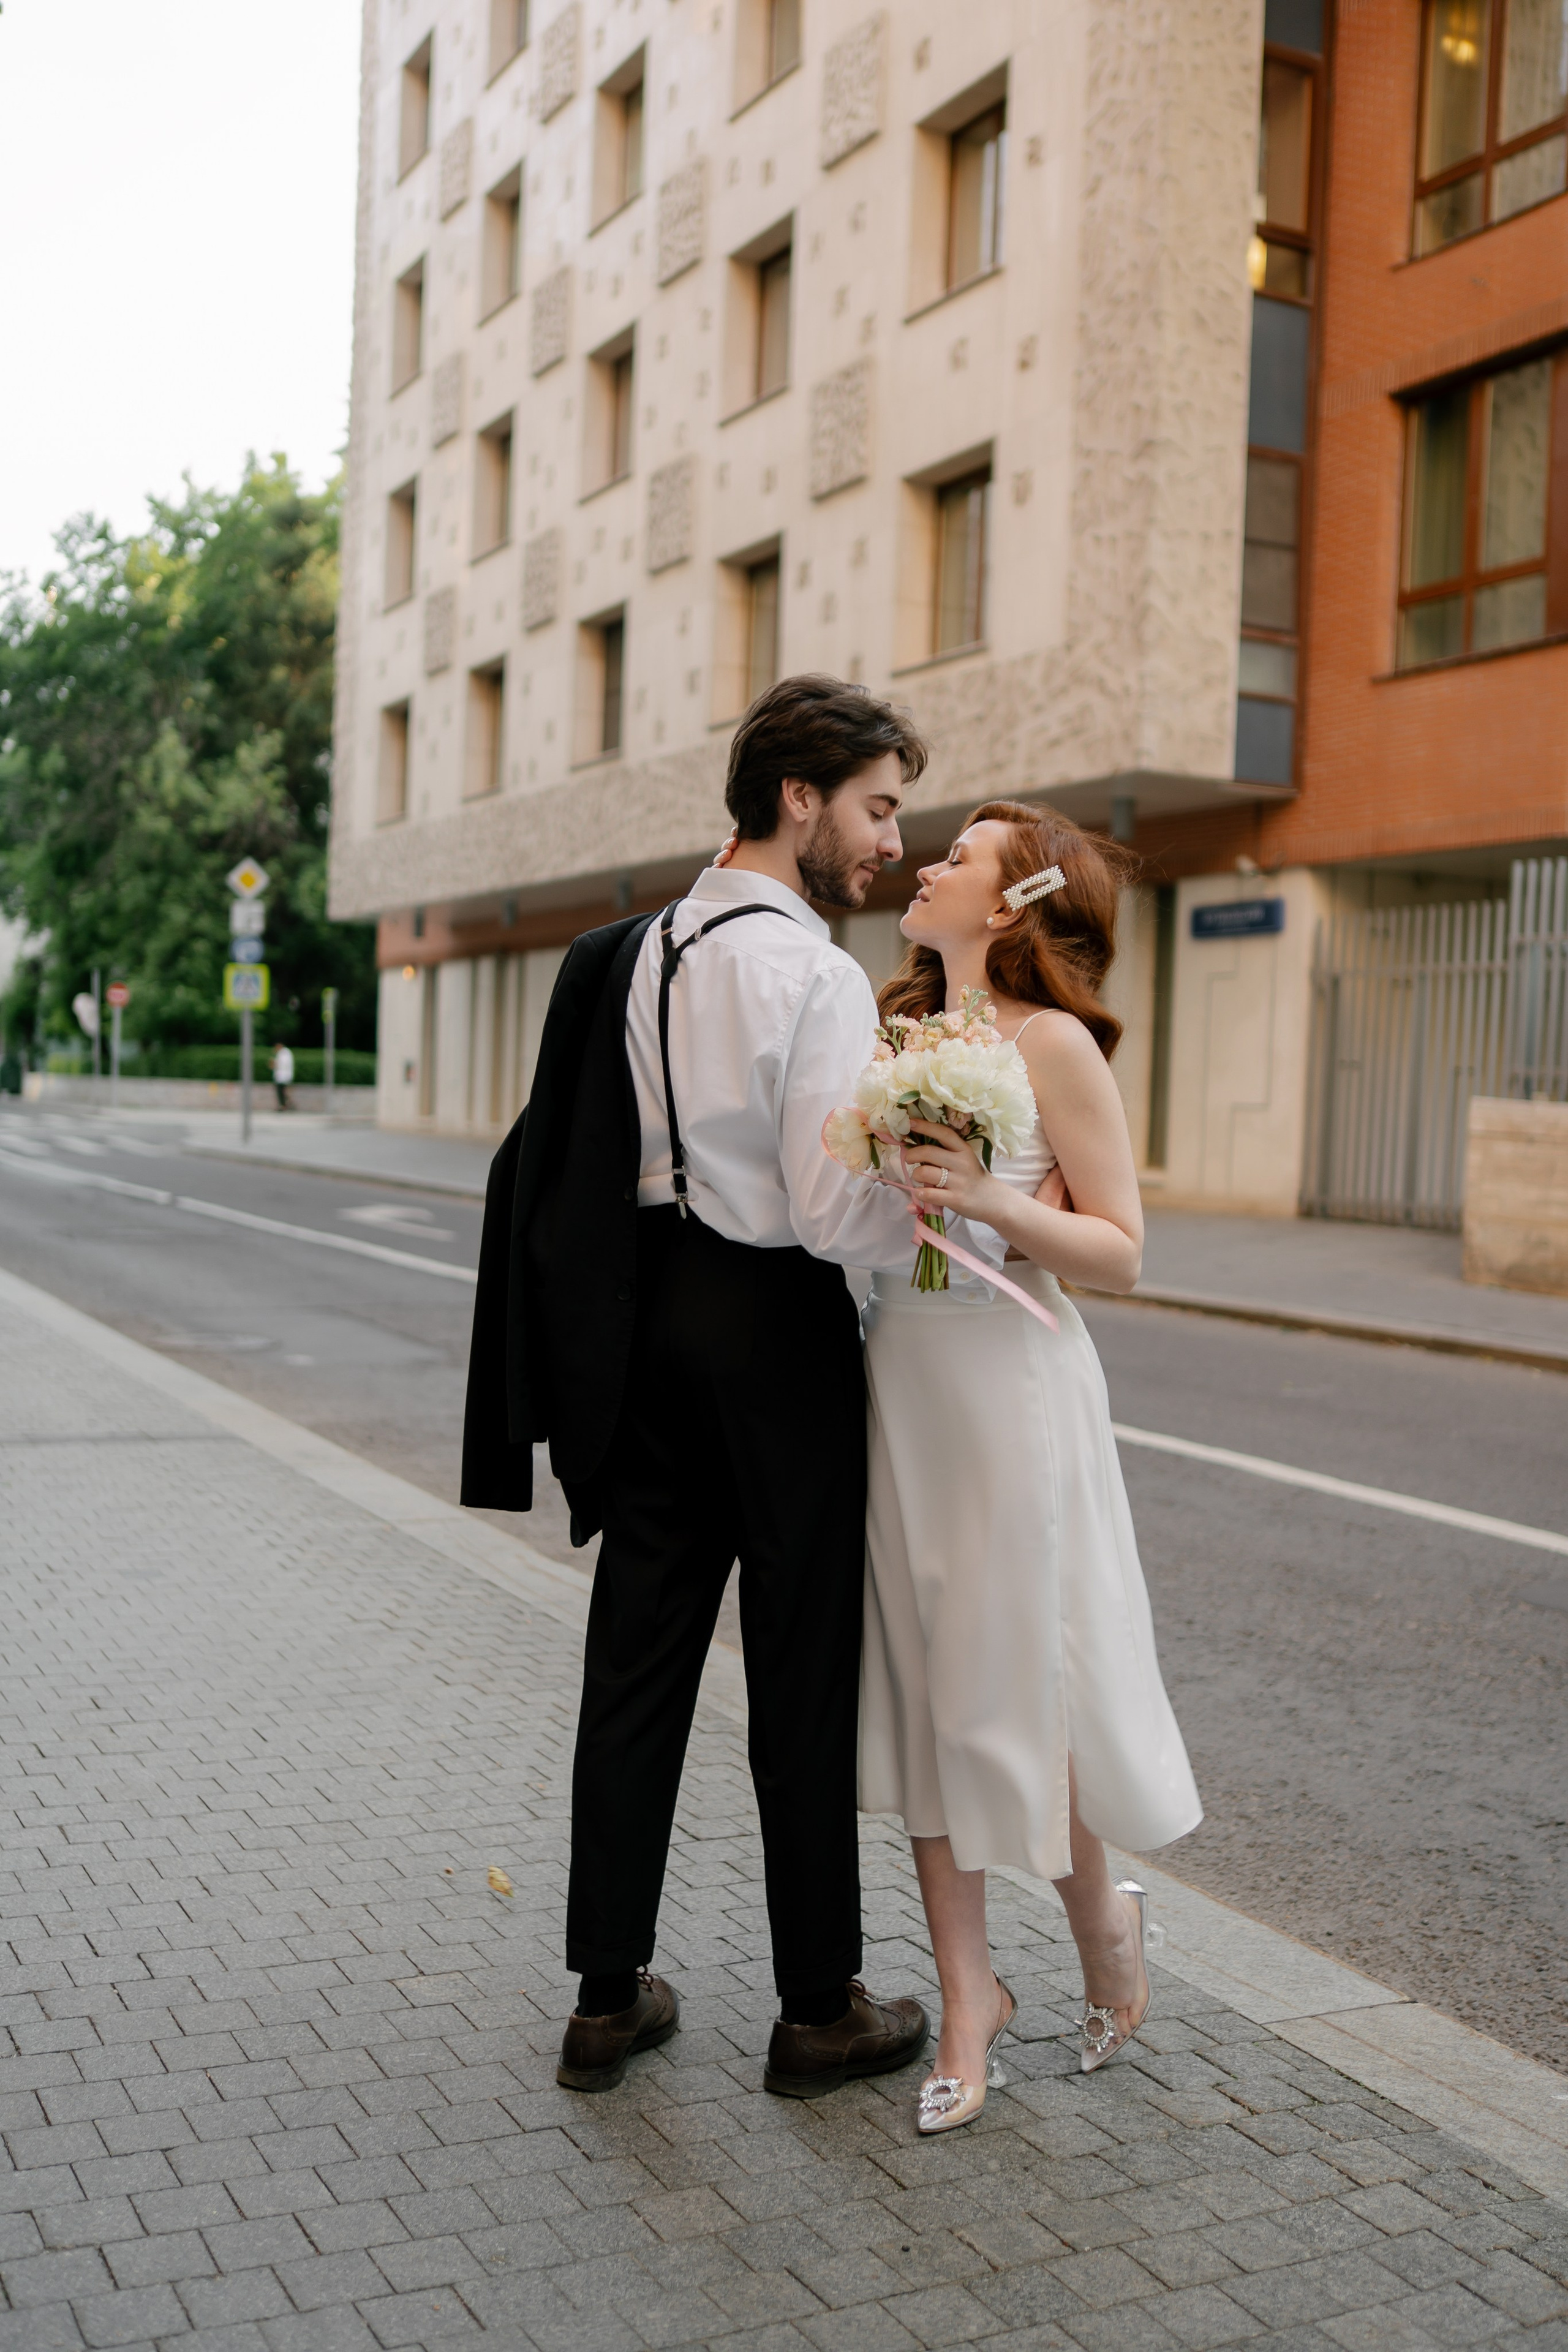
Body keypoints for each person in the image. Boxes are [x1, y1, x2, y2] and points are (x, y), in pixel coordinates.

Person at [462, 676, 983, 2098]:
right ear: (797, 798)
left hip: (640, 1333)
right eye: (876, 807)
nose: (889, 838)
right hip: (773, 1336)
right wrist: (929, 1209)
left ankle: (602, 1996)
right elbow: (825, 1212)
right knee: (800, 1671)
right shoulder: (810, 973)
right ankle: (817, 2006)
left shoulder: (636, 949)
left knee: (633, 1664)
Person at [858, 798, 1202, 2134]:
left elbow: (1119, 1247)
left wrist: (995, 1202)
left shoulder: (1051, 1041)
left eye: (957, 858)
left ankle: (1102, 1922)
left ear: (1007, 905)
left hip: (1011, 1384)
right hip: (899, 1376)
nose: (927, 864)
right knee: (922, 1692)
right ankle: (965, 1996)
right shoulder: (894, 1037)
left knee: (1020, 1686)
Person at [270, 1041, 294, 1110]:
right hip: (282, 1077)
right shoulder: (282, 1053)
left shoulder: (285, 1053)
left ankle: (284, 1105)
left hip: (283, 1077)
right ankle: (285, 1104)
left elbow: (282, 1064)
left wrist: (274, 1063)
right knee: (282, 1092)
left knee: (281, 1092)